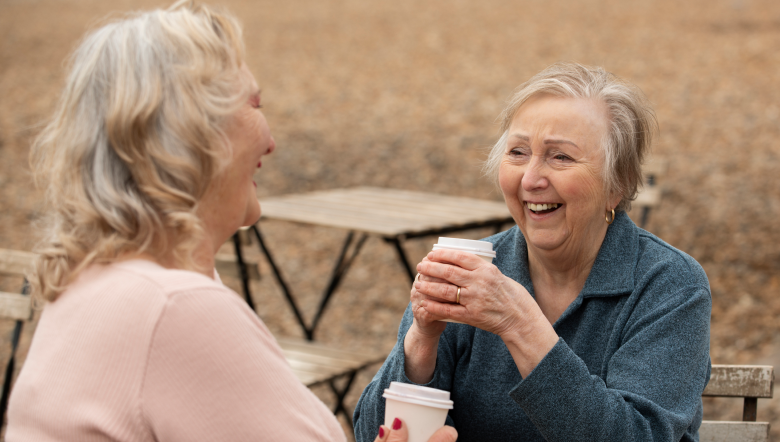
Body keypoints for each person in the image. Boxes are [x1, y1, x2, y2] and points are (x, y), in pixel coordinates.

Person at [5, 3, 457, 442]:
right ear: (197, 133)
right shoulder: (175, 307)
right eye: (254, 104)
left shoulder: (88, 279)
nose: (271, 140)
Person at [354, 62, 711, 442]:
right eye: (518, 152)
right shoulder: (471, 270)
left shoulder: (670, 286)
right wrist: (421, 342)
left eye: (560, 157)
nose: (530, 179)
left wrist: (519, 324)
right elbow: (369, 433)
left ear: (616, 184)